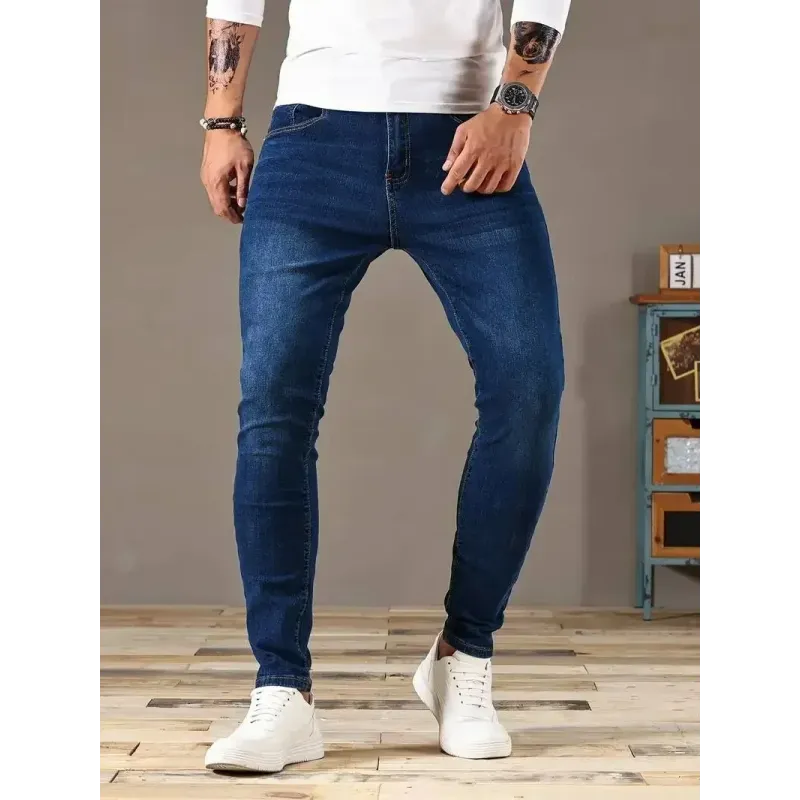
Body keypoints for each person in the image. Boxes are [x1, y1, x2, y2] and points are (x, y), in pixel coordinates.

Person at [200, 0, 570, 773]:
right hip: (313, 136)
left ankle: (465, 657)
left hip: (466, 132)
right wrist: (221, 121)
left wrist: (515, 103)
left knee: (529, 387)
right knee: (273, 410)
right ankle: (282, 691)